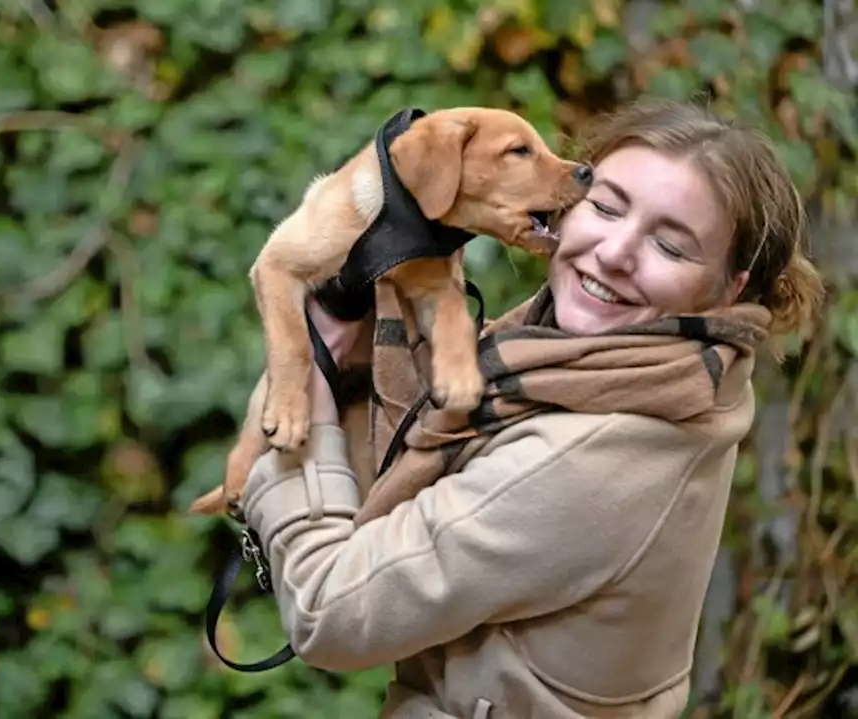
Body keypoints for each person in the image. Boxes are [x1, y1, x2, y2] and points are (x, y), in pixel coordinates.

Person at [231, 98, 826, 718]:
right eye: (605, 206)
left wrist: (302, 395)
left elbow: (334, 612)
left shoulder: (589, 455)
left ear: (730, 288)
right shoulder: (653, 371)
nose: (615, 252)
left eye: (671, 248)